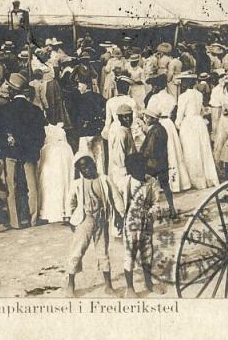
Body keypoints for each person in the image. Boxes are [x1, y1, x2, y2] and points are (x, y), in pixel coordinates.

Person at [0, 73, 47, 229]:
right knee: (32, 185)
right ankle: (33, 219)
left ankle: (15, 222)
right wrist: (34, 148)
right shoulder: (35, 110)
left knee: (12, 187)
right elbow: (41, 134)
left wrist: (5, 143)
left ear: (13, 92)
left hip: (11, 153)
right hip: (30, 154)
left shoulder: (4, 109)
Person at [63, 151, 122, 298]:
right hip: (85, 219)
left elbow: (116, 197)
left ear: (94, 164)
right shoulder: (77, 184)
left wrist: (120, 215)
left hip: (101, 219)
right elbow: (70, 201)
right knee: (77, 251)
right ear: (79, 170)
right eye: (83, 168)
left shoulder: (104, 179)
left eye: (88, 165)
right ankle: (70, 284)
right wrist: (70, 218)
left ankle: (108, 285)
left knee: (103, 252)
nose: (87, 169)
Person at [121, 152, 166, 297]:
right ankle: (130, 287)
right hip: (130, 224)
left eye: (142, 167)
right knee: (130, 254)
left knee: (147, 252)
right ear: (130, 170)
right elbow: (117, 201)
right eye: (136, 168)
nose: (140, 170)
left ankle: (149, 283)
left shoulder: (151, 182)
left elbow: (156, 201)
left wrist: (153, 212)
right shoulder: (125, 182)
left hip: (146, 222)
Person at [146, 74, 191, 193]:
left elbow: (151, 114)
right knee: (172, 151)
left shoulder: (154, 98)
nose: (153, 87)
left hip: (160, 124)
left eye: (154, 85)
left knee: (161, 153)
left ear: (157, 86)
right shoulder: (171, 98)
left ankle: (163, 182)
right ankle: (176, 182)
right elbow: (174, 111)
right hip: (169, 124)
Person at [175, 73, 219, 189]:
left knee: (191, 151)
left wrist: (178, 124)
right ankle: (205, 178)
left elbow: (180, 115)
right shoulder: (199, 95)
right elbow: (201, 111)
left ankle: (194, 180)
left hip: (189, 124)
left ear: (186, 83)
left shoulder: (183, 97)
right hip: (199, 122)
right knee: (202, 150)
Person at [139, 108, 176, 219]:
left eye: (146, 117)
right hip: (163, 162)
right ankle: (172, 208)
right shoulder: (162, 129)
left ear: (152, 119)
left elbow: (150, 150)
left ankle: (151, 212)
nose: (145, 119)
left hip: (153, 164)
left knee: (148, 187)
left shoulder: (153, 131)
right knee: (165, 186)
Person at [37, 121, 74, 223]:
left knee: (51, 181)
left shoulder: (46, 129)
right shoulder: (61, 130)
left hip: (52, 152)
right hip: (63, 152)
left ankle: (54, 210)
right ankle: (65, 210)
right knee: (62, 181)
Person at [107, 104, 137, 192]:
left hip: (130, 168)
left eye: (129, 116)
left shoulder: (127, 130)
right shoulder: (120, 133)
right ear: (119, 118)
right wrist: (125, 170)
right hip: (122, 171)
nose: (128, 119)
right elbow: (119, 155)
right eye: (124, 117)